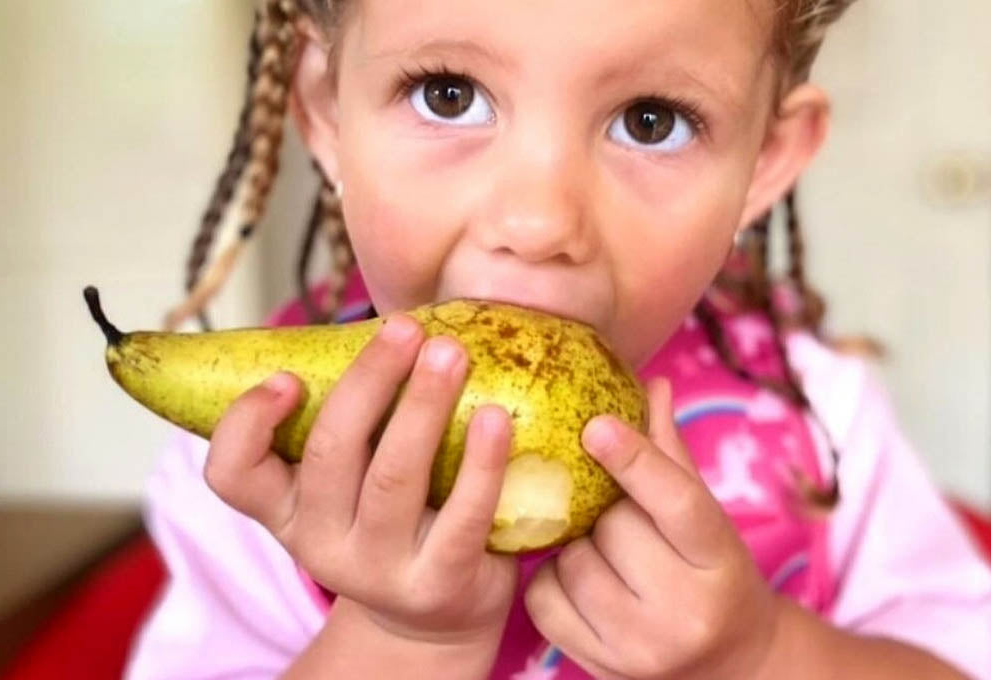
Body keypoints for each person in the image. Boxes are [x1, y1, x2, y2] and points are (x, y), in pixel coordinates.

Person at [124, 1, 991, 678]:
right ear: (326, 112)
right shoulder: (257, 450)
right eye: (447, 94)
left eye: (652, 120)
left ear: (765, 160)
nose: (537, 221)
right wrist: (396, 643)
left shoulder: (817, 413)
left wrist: (760, 656)